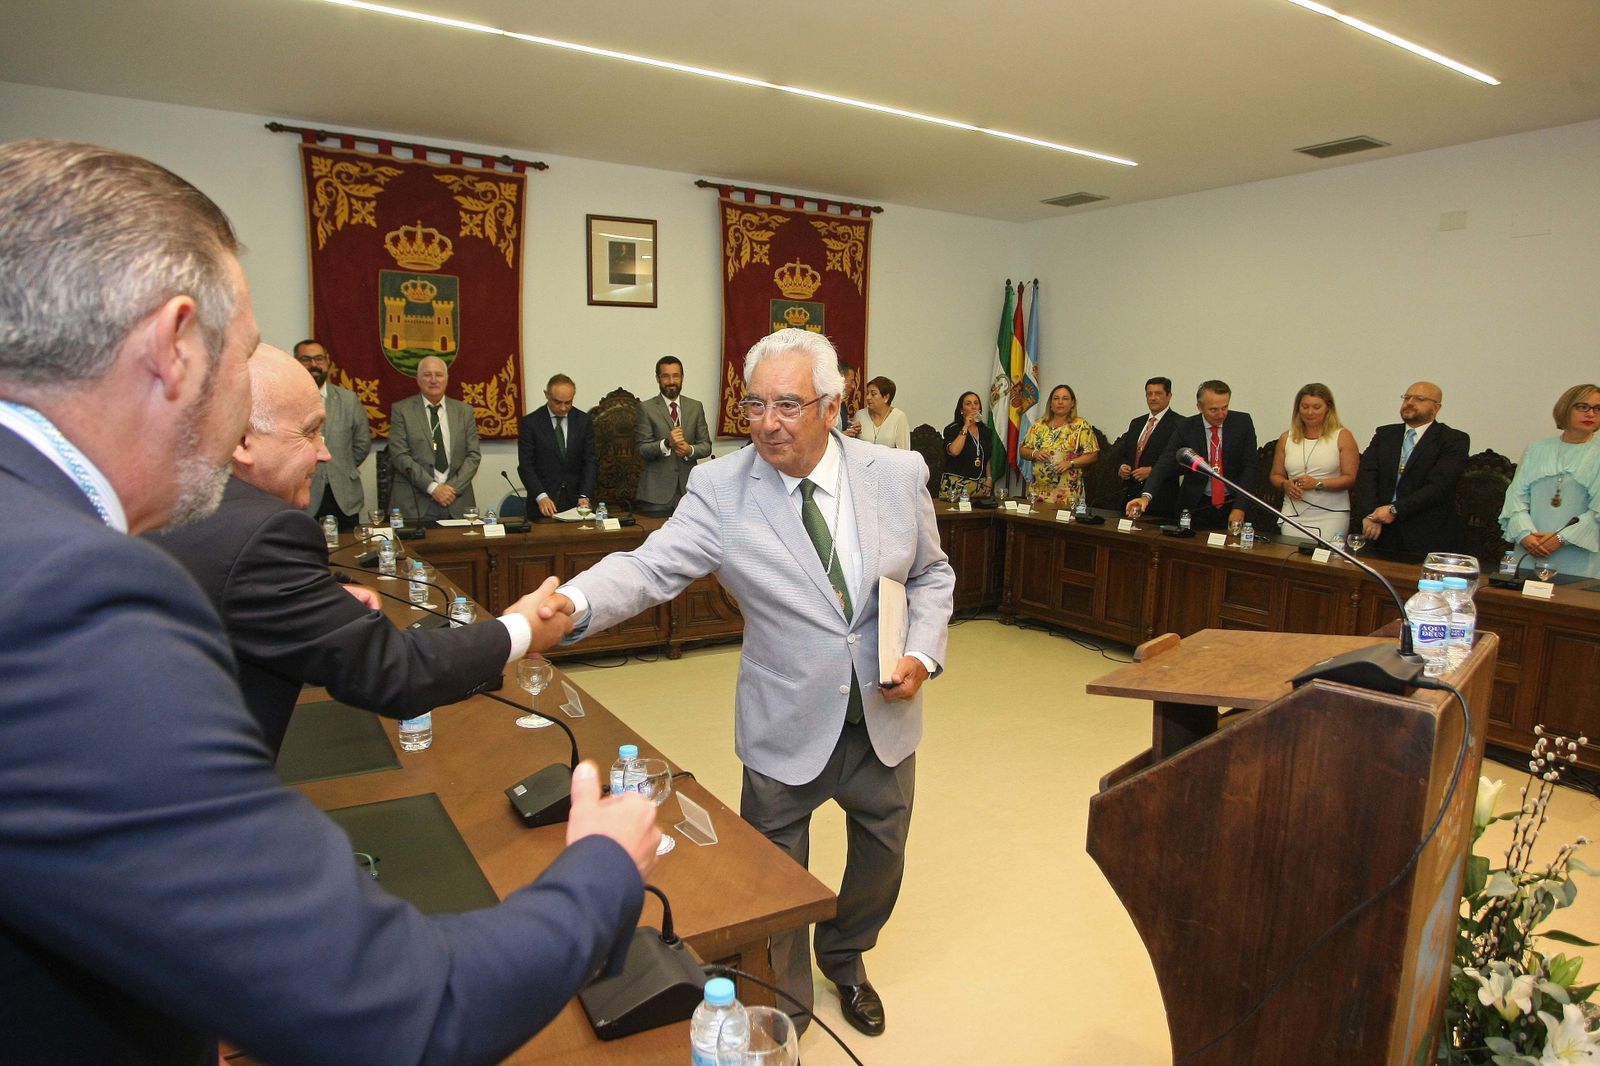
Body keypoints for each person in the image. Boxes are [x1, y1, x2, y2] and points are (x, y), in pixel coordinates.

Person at [0, 138, 657, 1065]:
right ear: (175, 348)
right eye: (244, 355)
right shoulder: (71, 595)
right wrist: (602, 868)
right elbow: (401, 1011)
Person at [538, 327, 955, 1038]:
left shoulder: (898, 473)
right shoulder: (721, 488)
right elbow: (649, 566)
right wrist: (570, 606)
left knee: (882, 857)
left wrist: (923, 651)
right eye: (754, 405)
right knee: (770, 875)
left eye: (788, 405)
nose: (765, 424)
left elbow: (931, 574)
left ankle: (848, 961)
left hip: (884, 714)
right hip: (785, 719)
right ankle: (788, 1002)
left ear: (833, 404)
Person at [150, 345, 555, 755]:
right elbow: (398, 672)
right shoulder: (265, 529)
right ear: (241, 440)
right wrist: (522, 628)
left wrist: (321, 592)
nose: (324, 451)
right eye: (309, 432)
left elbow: (236, 586)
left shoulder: (176, 498)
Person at [1354, 381, 1470, 562]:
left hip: (1425, 534)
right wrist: (1371, 514)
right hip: (1379, 532)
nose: (1409, 402)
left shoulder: (1453, 440)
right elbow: (1366, 475)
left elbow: (1438, 487)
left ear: (1436, 408)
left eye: (1419, 399)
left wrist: (1394, 510)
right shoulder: (1385, 434)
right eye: (1406, 397)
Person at [1127, 379, 1259, 531]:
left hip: (1232, 503)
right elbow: (1165, 462)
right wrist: (1146, 496)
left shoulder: (1242, 423)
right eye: (1214, 410)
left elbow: (1250, 467)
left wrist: (1240, 507)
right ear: (1200, 407)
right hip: (1196, 505)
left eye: (1225, 407)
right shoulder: (1186, 427)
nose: (1221, 414)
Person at [1499, 383, 1600, 578]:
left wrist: (1561, 538)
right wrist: (1524, 534)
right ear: (1565, 408)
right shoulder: (1537, 449)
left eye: (1598, 409)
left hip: (1578, 557)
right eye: (1582, 407)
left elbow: (1597, 513)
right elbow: (1516, 499)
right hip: (1530, 550)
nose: (1590, 414)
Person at [388, 354, 480, 522]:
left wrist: (450, 489)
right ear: (417, 379)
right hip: (415, 504)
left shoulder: (464, 411)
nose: (433, 380)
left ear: (446, 379)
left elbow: (473, 455)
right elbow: (400, 455)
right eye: (427, 374)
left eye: (439, 375)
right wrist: (433, 488)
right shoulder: (402, 410)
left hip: (457, 502)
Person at [294, 337, 371, 531]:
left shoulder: (348, 399)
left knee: (349, 554)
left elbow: (362, 444)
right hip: (305, 494)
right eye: (306, 359)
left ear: (327, 362)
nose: (314, 364)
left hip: (344, 495)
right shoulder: (288, 401)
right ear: (296, 362)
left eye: (319, 359)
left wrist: (343, 467)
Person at [1268, 383, 1359, 543]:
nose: (1310, 412)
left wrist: (1318, 483)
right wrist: (1285, 485)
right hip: (1293, 513)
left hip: (1330, 514)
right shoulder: (1286, 438)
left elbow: (1350, 478)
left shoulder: (1342, 436)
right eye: (1305, 407)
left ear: (1328, 408)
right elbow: (1276, 475)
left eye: (1316, 407)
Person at [634, 355, 711, 515]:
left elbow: (706, 446)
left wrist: (690, 450)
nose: (671, 381)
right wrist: (666, 443)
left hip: (689, 491)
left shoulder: (695, 407)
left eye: (675, 376)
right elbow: (642, 449)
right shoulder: (646, 408)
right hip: (656, 495)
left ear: (682, 377)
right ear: (657, 378)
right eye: (665, 376)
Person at [518, 373, 597, 517]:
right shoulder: (531, 423)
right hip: (543, 503)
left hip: (576, 502)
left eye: (568, 402)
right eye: (557, 402)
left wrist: (584, 494)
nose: (563, 408)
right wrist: (541, 496)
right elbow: (526, 466)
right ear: (546, 395)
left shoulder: (583, 421)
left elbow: (590, 461)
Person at [1019, 383, 1098, 507]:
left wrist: (1070, 463)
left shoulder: (1080, 426)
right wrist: (1035, 453)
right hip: (1038, 492)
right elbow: (1023, 451)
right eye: (1056, 398)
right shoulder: (1038, 425)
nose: (1060, 402)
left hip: (1067, 494)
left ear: (1072, 403)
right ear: (1050, 403)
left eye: (1065, 399)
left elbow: (1093, 455)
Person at [1115, 376, 1180, 518]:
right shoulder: (1136, 423)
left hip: (1161, 499)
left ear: (1169, 396)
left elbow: (1181, 463)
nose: (1153, 398)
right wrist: (1122, 467)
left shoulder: (1179, 424)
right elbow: (1125, 454)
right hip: (1130, 496)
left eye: (1158, 394)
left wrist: (1153, 471)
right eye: (1149, 394)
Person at [941, 391, 1001, 499]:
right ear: (961, 410)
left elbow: (986, 457)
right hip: (956, 485)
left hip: (980, 486)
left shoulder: (986, 431)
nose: (973, 407)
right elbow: (954, 451)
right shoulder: (952, 429)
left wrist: (989, 478)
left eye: (976, 403)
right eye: (968, 404)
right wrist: (966, 426)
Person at [853, 375, 910, 449]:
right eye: (867, 394)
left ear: (886, 397)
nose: (868, 397)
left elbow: (904, 452)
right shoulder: (859, 415)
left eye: (873, 394)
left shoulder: (899, 417)